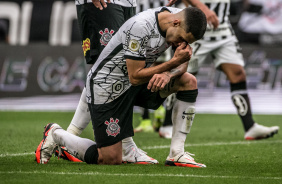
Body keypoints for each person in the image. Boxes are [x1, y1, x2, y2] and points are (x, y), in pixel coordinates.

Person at [35, 6, 207, 167]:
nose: (180, 43)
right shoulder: (141, 27)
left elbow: (183, 61)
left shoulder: (181, 19)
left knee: (188, 81)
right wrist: (171, 63)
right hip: (107, 86)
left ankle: (176, 153)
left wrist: (169, 73)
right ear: (175, 23)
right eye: (181, 39)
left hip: (135, 84)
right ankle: (57, 134)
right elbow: (135, 76)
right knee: (110, 159)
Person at [62, 0, 178, 164]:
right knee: (110, 67)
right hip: (106, 2)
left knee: (123, 66)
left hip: (128, 2)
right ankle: (72, 137)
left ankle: (72, 137)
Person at [158, 0, 280, 140]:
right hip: (196, 29)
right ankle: (167, 124)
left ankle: (250, 126)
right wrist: (203, 8)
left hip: (222, 28)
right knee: (182, 77)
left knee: (238, 74)